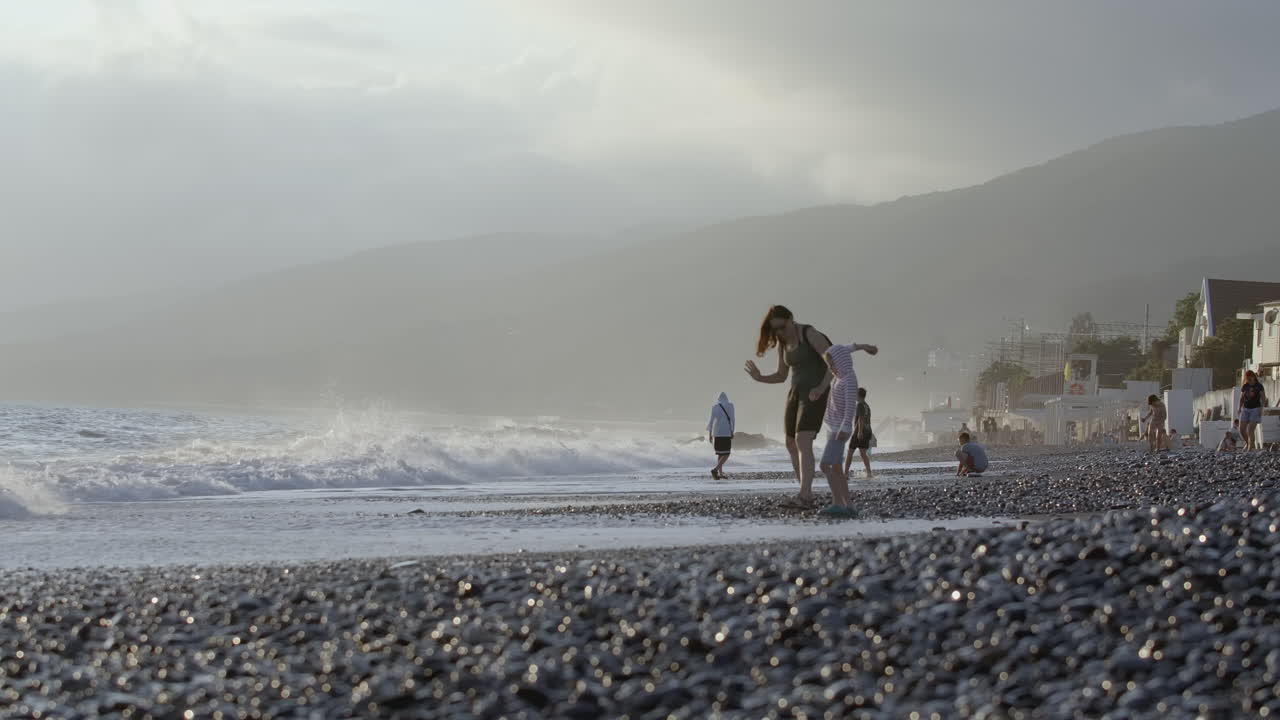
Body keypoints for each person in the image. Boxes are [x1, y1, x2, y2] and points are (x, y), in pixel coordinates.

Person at [745, 305, 835, 506]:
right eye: (775, 329)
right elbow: (781, 376)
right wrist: (759, 378)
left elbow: (833, 360)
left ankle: (805, 495)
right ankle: (805, 491)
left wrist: (821, 387)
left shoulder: (808, 333)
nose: (779, 332)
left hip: (814, 392)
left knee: (803, 441)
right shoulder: (782, 344)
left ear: (791, 319)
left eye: (782, 327)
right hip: (795, 394)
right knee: (790, 443)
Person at [812, 340, 878, 516]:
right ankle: (849, 506)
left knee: (825, 465)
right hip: (833, 427)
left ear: (841, 362)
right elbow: (848, 349)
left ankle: (838, 503)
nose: (831, 369)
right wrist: (863, 346)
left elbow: (850, 407)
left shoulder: (848, 379)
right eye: (829, 365)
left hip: (839, 430)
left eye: (833, 364)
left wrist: (845, 427)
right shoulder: (840, 375)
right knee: (836, 469)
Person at [845, 387, 874, 479]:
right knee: (862, 453)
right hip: (868, 431)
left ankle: (845, 474)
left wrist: (859, 432)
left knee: (850, 452)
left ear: (859, 395)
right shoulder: (867, 406)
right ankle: (869, 473)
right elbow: (867, 420)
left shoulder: (860, 405)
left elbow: (860, 419)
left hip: (860, 431)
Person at [707, 392, 736, 479]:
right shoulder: (730, 406)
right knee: (727, 453)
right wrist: (732, 431)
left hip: (717, 433)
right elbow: (733, 419)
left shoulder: (715, 407)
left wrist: (710, 434)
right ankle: (715, 470)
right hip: (726, 432)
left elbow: (711, 421)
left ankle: (720, 474)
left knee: (720, 453)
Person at [1237, 370, 1268, 451]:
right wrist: (1239, 408)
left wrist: (1262, 408)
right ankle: (1249, 443)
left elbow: (1263, 398)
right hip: (1245, 409)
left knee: (1250, 429)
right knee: (1241, 429)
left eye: (1250, 377)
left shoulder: (1259, 386)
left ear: (1253, 377)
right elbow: (1241, 398)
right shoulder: (1245, 386)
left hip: (1255, 409)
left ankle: (1250, 448)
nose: (1248, 379)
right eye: (1247, 378)